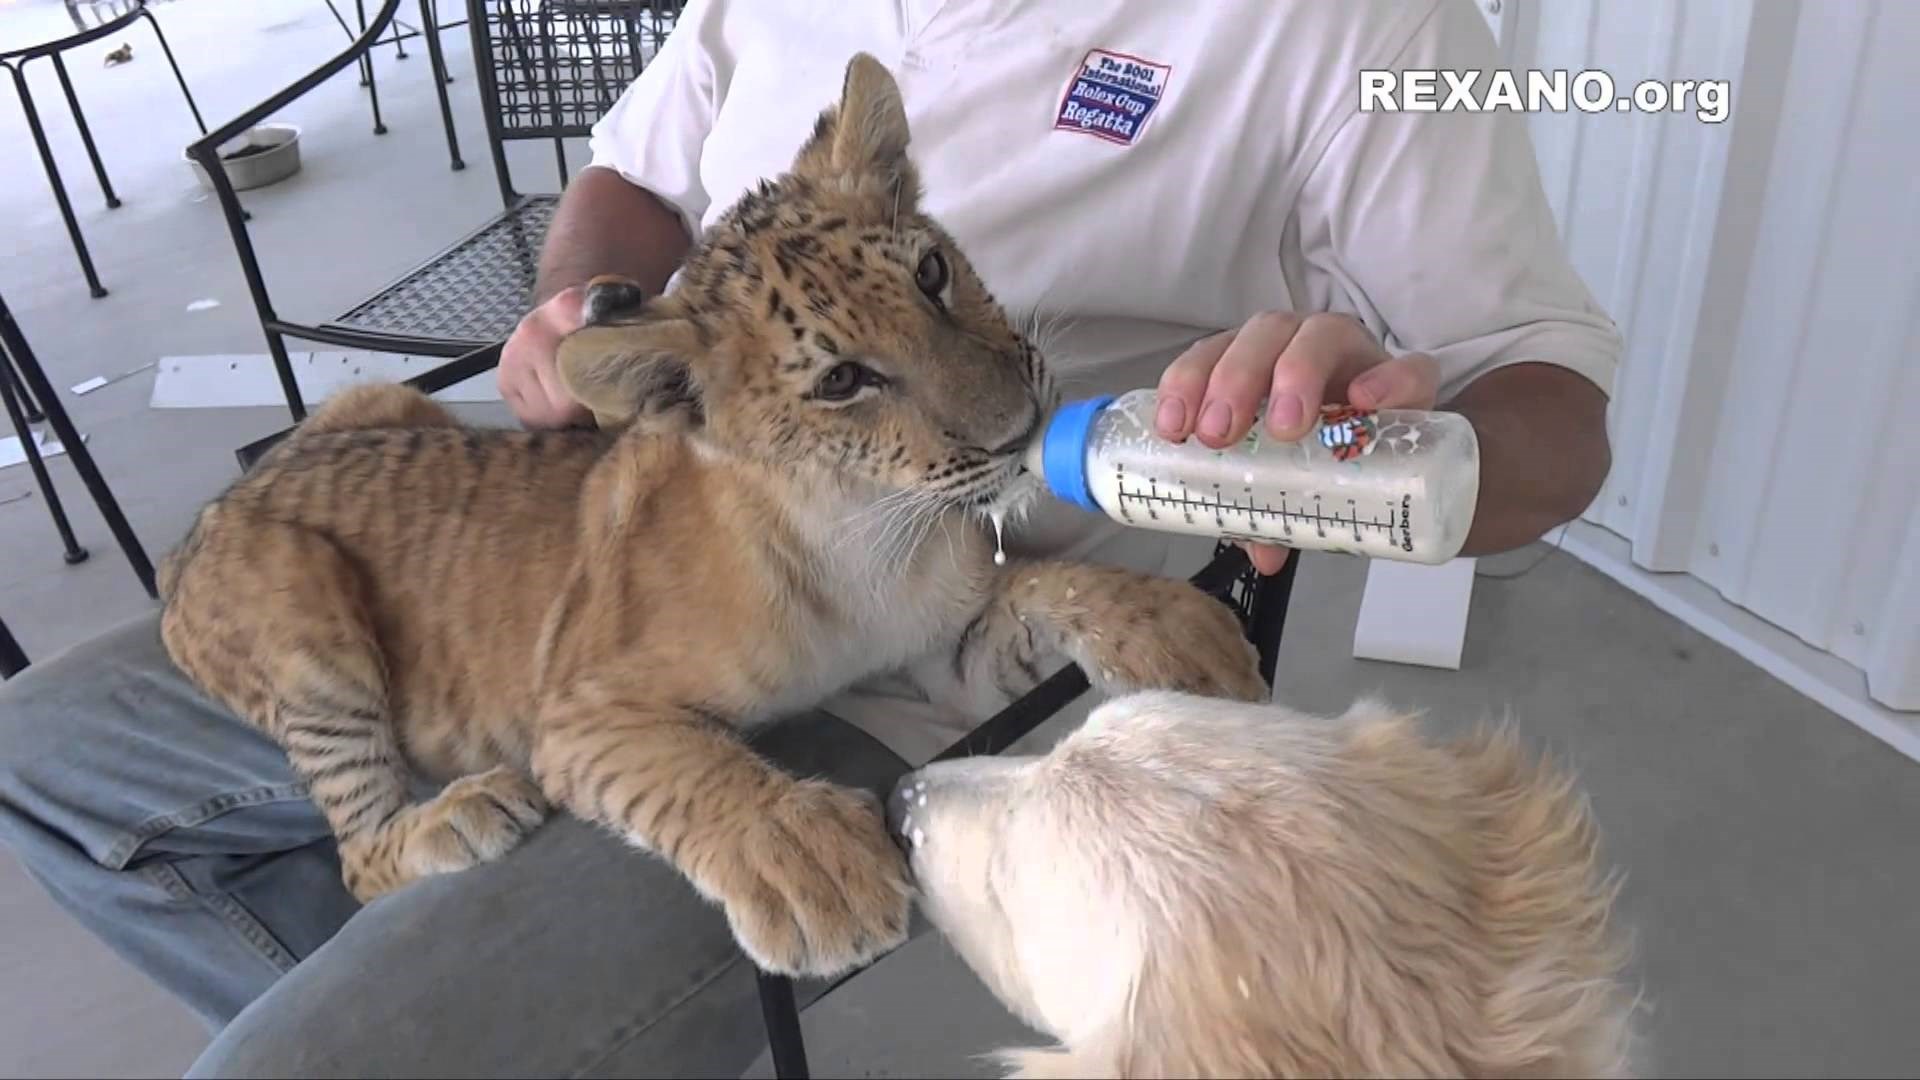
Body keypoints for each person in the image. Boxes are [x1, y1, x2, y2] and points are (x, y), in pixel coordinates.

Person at [0, 0, 1616, 1074]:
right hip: (618, 518)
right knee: (39, 750)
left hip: (948, 629)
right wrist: (591, 308)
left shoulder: (1360, 26)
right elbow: (633, 176)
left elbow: (1556, 420)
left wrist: (1381, 412)